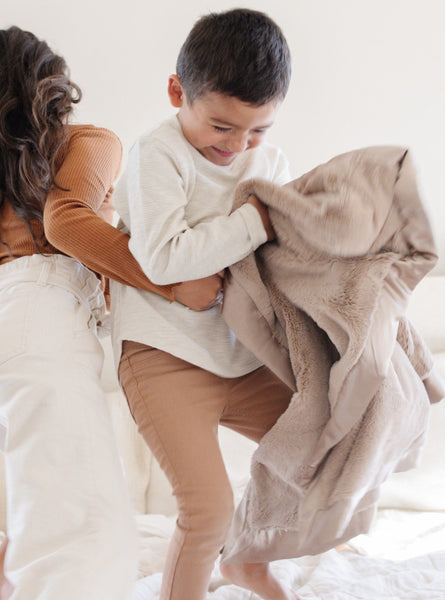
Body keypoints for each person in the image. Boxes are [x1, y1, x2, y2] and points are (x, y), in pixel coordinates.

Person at [0, 26, 218, 600]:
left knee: (39, 504)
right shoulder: (88, 142)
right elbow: (67, 224)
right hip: (39, 314)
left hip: (12, 320)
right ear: (48, 87)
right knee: (83, 528)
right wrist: (173, 285)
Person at [111, 8, 300, 600]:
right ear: (177, 93)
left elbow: (283, 258)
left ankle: (247, 560)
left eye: (258, 130)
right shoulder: (156, 156)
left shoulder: (267, 166)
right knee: (207, 509)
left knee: (322, 442)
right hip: (163, 354)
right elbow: (166, 258)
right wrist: (254, 220)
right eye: (222, 127)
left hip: (242, 356)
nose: (239, 146)